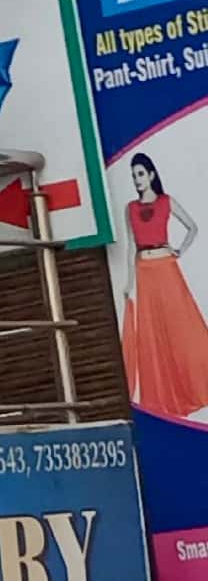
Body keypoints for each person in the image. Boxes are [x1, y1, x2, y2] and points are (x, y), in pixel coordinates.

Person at [123, 152, 208, 419]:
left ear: (151, 175)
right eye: (133, 175)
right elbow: (130, 246)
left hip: (166, 268)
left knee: (180, 325)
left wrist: (179, 250)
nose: (137, 180)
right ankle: (166, 395)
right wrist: (129, 282)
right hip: (144, 272)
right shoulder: (130, 208)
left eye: (140, 174)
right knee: (154, 332)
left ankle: (195, 385)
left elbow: (192, 227)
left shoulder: (166, 202)